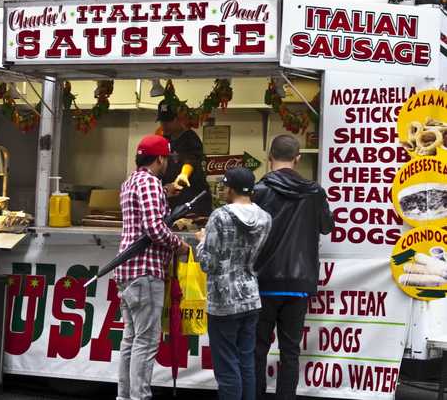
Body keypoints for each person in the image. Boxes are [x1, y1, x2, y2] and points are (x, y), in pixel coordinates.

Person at [253, 135, 334, 400]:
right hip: (299, 284)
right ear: (298, 158)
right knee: (290, 351)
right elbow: (326, 226)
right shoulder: (314, 192)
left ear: (269, 157)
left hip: (263, 282)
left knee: (257, 348)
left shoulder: (259, 191)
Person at [115, 134, 189, 400]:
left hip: (126, 271)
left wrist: (166, 191)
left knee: (131, 340)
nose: (167, 163)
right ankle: (140, 397)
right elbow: (155, 229)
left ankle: (125, 396)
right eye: (167, 159)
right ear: (160, 158)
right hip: (145, 272)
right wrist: (179, 245)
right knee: (145, 342)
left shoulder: (130, 182)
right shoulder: (150, 183)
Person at [195, 167, 271, 400]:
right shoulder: (264, 217)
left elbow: (209, 264)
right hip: (250, 296)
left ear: (230, 188)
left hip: (223, 301)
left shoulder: (220, 216)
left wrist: (202, 241)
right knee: (246, 362)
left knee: (227, 367)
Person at [157, 100, 213, 217]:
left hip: (193, 202)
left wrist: (184, 175)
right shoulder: (164, 139)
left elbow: (191, 160)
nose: (164, 125)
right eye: (162, 121)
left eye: (168, 121)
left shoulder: (191, 139)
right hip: (172, 201)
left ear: (179, 119)